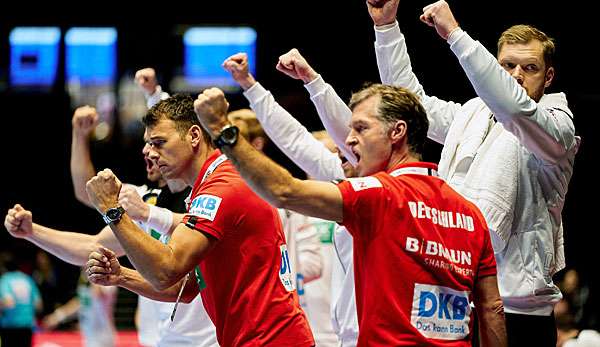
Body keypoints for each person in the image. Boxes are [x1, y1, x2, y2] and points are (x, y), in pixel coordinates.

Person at [193, 84, 507, 346]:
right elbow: (492, 307)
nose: (350, 140)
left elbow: (283, 190)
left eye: (360, 128)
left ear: (397, 132)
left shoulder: (378, 194)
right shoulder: (469, 213)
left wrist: (223, 129)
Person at [362, 1, 580, 345]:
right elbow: (410, 102)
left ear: (548, 76)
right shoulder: (473, 114)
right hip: (458, 298)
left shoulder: (556, 125)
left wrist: (455, 35)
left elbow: (514, 108)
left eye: (530, 67)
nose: (516, 75)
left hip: (519, 314)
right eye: (507, 66)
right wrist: (386, 28)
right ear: (495, 66)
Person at [84, 94, 315, 347]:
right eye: (149, 144)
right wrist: (120, 276)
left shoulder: (221, 188)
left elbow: (165, 271)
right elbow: (185, 288)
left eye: (159, 142)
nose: (149, 153)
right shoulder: (209, 187)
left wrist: (112, 209)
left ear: (194, 136)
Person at [223, 52, 348, 346]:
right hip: (306, 325)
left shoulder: (363, 187)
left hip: (352, 332)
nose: (346, 146)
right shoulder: (297, 201)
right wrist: (250, 85)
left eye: (338, 151)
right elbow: (295, 139)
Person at [42, 270, 117, 347]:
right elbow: (80, 302)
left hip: (102, 336)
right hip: (89, 335)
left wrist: (94, 273)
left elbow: (97, 294)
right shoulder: (84, 277)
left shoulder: (107, 277)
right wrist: (57, 316)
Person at [0, 252, 42, 347]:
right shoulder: (27, 279)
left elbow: (9, 303)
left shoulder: (5, 279)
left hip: (10, 327)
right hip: (27, 327)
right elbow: (38, 305)